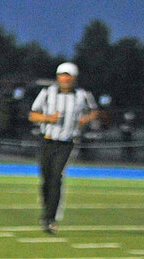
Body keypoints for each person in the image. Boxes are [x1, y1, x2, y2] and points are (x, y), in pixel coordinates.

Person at [28, 62, 99, 234]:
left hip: (66, 143)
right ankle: (47, 210)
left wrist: (85, 119)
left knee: (56, 178)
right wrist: (47, 118)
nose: (65, 79)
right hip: (47, 140)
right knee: (46, 179)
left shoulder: (82, 95)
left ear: (74, 77)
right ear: (58, 77)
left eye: (68, 75)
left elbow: (95, 111)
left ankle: (50, 219)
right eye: (62, 75)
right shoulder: (47, 93)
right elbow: (32, 114)